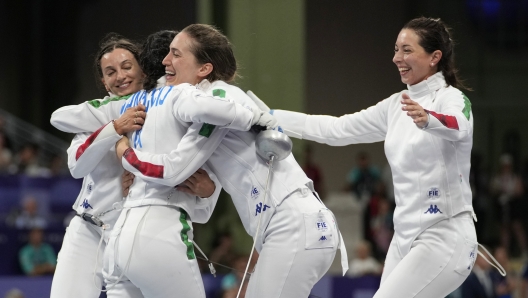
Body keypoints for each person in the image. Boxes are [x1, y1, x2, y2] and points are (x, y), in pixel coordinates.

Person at [52, 24, 344, 298]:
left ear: (203, 68)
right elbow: (68, 131)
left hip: (287, 222)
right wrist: (117, 131)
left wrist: (127, 155)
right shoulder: (149, 105)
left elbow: (182, 176)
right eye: (166, 54)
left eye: (176, 54)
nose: (167, 61)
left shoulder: (199, 99)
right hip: (118, 229)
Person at [253, 17, 482, 297]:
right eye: (396, 49)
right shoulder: (395, 106)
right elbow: (335, 129)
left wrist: (429, 119)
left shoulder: (451, 98)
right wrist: (270, 117)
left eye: (407, 50)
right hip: (404, 238)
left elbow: (461, 125)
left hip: (445, 236)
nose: (397, 57)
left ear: (435, 57)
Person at [50, 31, 219, 298]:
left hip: (132, 231)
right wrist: (114, 128)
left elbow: (200, 207)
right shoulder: (95, 117)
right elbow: (77, 167)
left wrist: (208, 191)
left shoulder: (165, 113)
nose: (120, 76)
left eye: (127, 66)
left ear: (144, 70)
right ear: (104, 82)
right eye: (110, 72)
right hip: (88, 230)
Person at [490, 154, 527, 257]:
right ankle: (504, 254)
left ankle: (524, 252)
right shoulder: (497, 177)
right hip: (502, 206)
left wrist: (510, 192)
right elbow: (492, 189)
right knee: (504, 229)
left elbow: (520, 190)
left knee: (517, 227)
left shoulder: (515, 177)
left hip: (514, 205)